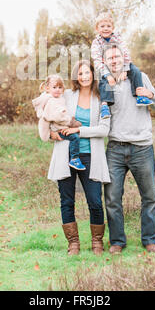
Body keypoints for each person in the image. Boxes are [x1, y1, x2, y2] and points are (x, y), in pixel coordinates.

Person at [103, 43, 155, 254]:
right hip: (115, 148)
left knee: (149, 197)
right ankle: (117, 241)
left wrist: (151, 94)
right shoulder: (105, 83)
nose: (114, 60)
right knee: (111, 198)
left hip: (142, 148)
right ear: (105, 62)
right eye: (109, 58)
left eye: (116, 57)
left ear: (123, 58)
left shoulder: (140, 76)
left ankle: (149, 239)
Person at [48, 60, 111, 256]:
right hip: (65, 154)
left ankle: (97, 242)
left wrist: (78, 130)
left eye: (88, 72)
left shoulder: (101, 98)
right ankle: (73, 243)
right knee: (67, 200)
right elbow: (49, 113)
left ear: (93, 75)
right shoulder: (67, 96)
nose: (84, 76)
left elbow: (104, 129)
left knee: (95, 201)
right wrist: (50, 133)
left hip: (90, 155)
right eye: (81, 73)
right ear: (76, 76)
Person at [91, 11, 153, 119]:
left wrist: (125, 69)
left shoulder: (118, 38)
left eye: (108, 26)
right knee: (103, 80)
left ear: (113, 27)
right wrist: (108, 75)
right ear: (97, 29)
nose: (106, 28)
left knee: (136, 71)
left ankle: (139, 94)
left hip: (122, 63)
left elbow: (125, 53)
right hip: (105, 66)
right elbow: (97, 60)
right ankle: (105, 105)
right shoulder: (96, 42)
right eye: (102, 26)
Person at [32, 74, 86, 170]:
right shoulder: (52, 101)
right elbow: (57, 117)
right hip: (58, 129)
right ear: (47, 88)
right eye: (54, 87)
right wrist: (70, 122)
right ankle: (75, 158)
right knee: (74, 138)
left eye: (60, 87)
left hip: (60, 127)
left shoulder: (57, 99)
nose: (57, 89)